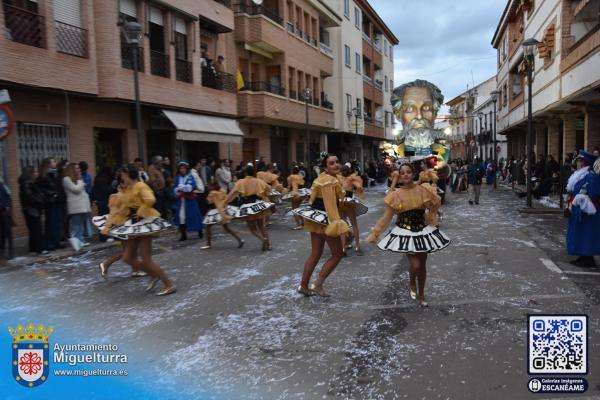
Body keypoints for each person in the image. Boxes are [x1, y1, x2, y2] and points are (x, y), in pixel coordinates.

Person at [367, 163, 450, 306]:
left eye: (408, 172)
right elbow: (386, 218)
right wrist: (375, 234)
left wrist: (432, 215)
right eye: (403, 173)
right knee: (416, 265)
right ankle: (412, 281)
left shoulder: (423, 190)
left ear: (413, 174)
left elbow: (435, 203)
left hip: (423, 230)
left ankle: (422, 295)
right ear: (399, 176)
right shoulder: (395, 195)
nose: (405, 174)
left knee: (422, 265)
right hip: (404, 232)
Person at [95, 164, 175, 295]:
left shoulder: (140, 186)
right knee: (127, 257)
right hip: (133, 225)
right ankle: (154, 275)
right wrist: (112, 222)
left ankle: (168, 284)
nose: (121, 178)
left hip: (144, 222)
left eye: (123, 175)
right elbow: (124, 207)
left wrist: (140, 212)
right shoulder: (128, 188)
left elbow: (150, 199)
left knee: (146, 259)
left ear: (128, 174)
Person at [293, 153, 349, 297]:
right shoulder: (331, 181)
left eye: (337, 161)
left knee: (315, 254)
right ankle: (317, 285)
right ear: (325, 167)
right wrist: (336, 223)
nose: (336, 165)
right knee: (337, 254)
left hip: (316, 219)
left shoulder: (320, 179)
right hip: (327, 220)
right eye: (331, 163)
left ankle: (303, 286)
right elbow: (331, 205)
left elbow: (312, 200)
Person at [224, 164, 274, 250]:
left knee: (252, 228)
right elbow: (269, 189)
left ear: (245, 173)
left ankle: (263, 240)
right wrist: (264, 195)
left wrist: (225, 203)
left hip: (247, 206)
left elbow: (232, 194)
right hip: (258, 204)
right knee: (261, 226)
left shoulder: (240, 182)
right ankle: (269, 245)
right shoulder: (259, 181)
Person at [565, 151, 600, 267]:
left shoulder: (591, 176)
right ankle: (582, 255)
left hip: (587, 211)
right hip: (577, 209)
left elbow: (594, 193)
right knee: (578, 234)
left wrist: (582, 198)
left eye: (579, 160)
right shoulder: (579, 174)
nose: (577, 162)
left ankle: (588, 258)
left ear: (584, 163)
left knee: (586, 234)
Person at [201, 181, 243, 250]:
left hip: (216, 211)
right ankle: (240, 240)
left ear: (212, 186)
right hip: (223, 209)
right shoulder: (222, 191)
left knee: (208, 226)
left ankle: (208, 244)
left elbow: (209, 202)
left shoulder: (212, 193)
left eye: (209, 186)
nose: (208, 187)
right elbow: (227, 199)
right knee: (226, 228)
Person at [338, 163, 368, 255]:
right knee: (354, 224)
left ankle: (343, 248)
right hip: (349, 203)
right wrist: (359, 188)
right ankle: (357, 246)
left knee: (342, 224)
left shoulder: (338, 178)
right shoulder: (352, 178)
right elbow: (359, 187)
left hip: (340, 202)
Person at [62, 162, 91, 251]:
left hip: (82, 206)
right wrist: (80, 181)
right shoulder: (66, 179)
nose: (79, 170)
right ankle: (75, 241)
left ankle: (80, 240)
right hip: (75, 206)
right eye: (77, 168)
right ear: (72, 169)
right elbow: (76, 189)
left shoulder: (77, 179)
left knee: (81, 225)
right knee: (75, 225)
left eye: (79, 168)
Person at [38, 157, 65, 251]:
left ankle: (56, 242)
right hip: (50, 203)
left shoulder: (55, 174)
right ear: (48, 164)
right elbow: (43, 190)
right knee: (51, 224)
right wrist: (52, 194)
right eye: (54, 162)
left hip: (57, 201)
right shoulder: (44, 176)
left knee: (58, 222)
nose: (55, 163)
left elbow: (58, 186)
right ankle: (50, 243)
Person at [173, 161, 203, 241]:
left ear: (187, 169)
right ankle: (183, 235)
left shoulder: (190, 177)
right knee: (181, 217)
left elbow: (193, 186)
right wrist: (177, 189)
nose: (182, 170)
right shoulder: (177, 178)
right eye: (181, 168)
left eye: (184, 168)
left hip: (190, 200)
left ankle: (199, 231)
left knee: (194, 216)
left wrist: (184, 187)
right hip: (181, 201)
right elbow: (174, 188)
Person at [19, 166, 45, 254]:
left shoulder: (29, 182)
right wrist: (39, 201)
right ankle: (38, 249)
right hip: (32, 208)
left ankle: (34, 248)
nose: (37, 173)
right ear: (31, 173)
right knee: (36, 228)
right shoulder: (28, 183)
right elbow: (29, 197)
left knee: (34, 229)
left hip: (31, 208)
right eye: (35, 172)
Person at [282, 165, 310, 230]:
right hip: (301, 194)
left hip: (294, 193)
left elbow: (289, 186)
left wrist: (286, 192)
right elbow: (302, 184)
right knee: (298, 209)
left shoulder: (291, 177)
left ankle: (299, 224)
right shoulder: (300, 177)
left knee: (294, 210)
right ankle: (302, 223)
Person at [92, 166, 115, 242]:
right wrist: (112, 187)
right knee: (106, 219)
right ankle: (105, 236)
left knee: (102, 219)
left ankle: (103, 236)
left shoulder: (99, 178)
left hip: (100, 201)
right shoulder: (103, 179)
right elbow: (105, 190)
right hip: (104, 201)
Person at [0, 178, 12, 259]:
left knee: (5, 233)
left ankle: (4, 253)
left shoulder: (2, 185)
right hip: (1, 211)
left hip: (4, 213)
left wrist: (7, 205)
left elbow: (8, 196)